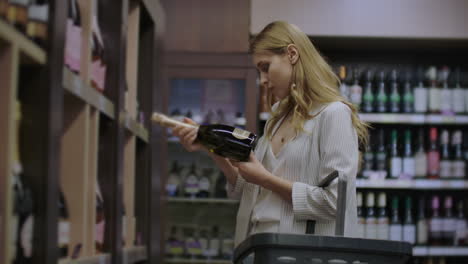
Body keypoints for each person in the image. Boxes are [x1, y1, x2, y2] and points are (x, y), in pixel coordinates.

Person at [172, 21, 369, 247]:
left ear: (292, 54)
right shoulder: (275, 121)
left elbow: (335, 203)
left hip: (302, 253)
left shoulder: (333, 114)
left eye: (265, 67)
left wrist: (266, 179)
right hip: (260, 248)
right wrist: (212, 148)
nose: (262, 80)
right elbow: (248, 191)